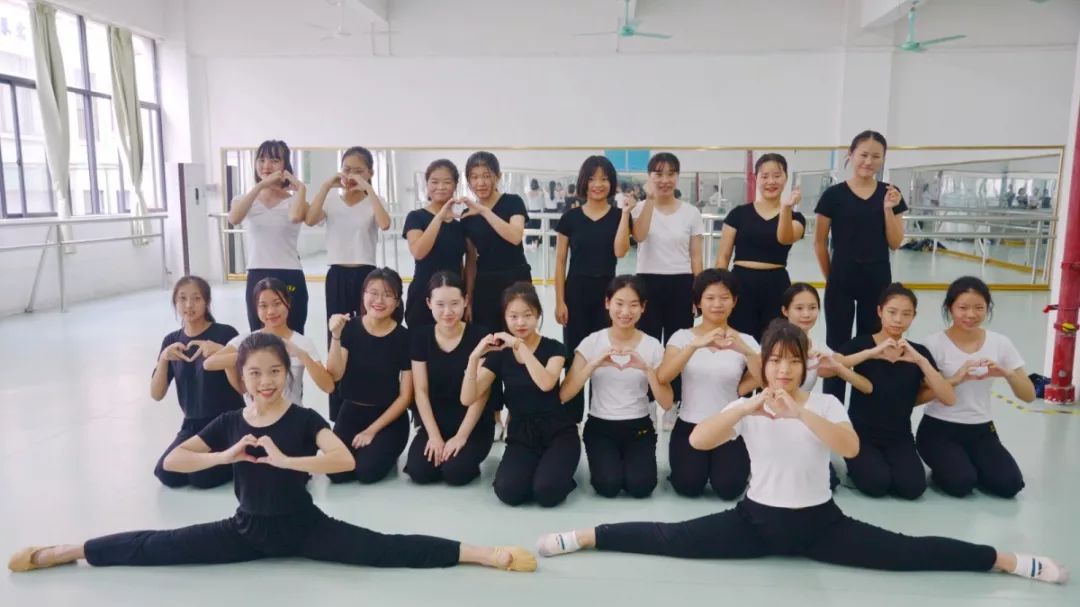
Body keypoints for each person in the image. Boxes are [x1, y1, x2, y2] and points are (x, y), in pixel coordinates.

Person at [534, 322, 1066, 586]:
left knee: (907, 553)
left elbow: (850, 448)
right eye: (775, 362)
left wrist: (798, 413)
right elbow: (698, 441)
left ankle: (1004, 560)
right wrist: (745, 409)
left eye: (793, 362)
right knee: (669, 539)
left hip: (821, 526)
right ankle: (586, 536)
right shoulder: (749, 403)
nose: (784, 370)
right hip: (754, 522)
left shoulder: (826, 403)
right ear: (764, 364)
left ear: (805, 363)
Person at [9, 333, 537, 575]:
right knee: (159, 546)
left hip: (306, 528)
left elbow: (343, 460)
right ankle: (68, 551)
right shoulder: (230, 423)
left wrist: (288, 461)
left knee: (386, 550)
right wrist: (225, 456)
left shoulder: (303, 420)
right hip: (244, 530)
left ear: (286, 374)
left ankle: (484, 553)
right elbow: (172, 462)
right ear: (242, 378)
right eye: (255, 373)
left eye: (275, 372)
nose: (265, 381)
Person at [461, 283, 578, 507]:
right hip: (522, 434)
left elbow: (546, 383)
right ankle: (540, 469)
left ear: (538, 315)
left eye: (527, 315)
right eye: (513, 316)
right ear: (504, 318)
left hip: (558, 431)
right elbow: (467, 398)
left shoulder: (554, 348)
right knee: (509, 492)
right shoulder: (499, 355)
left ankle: (555, 473)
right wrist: (474, 358)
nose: (520, 323)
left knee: (547, 493)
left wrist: (519, 346)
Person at [835, 283, 955, 500]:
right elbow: (827, 368)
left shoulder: (918, 351)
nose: (898, 320)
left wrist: (920, 361)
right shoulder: (862, 344)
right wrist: (870, 353)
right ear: (880, 311)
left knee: (913, 488)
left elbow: (948, 397)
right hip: (862, 434)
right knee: (876, 484)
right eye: (892, 312)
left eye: (906, 314)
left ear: (913, 317)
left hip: (899, 435)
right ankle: (856, 460)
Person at [917, 276, 1033, 498]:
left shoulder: (1000, 342)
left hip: (981, 430)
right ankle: (952, 466)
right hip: (938, 429)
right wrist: (957, 379)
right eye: (963, 308)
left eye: (979, 308)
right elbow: (918, 395)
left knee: (1010, 485)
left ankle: (968, 463)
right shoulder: (933, 344)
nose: (971, 315)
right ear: (949, 308)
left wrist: (1007, 373)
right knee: (961, 484)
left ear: (988, 308)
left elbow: (1028, 395)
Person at [814, 130, 907, 406]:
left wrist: (888, 209)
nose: (868, 161)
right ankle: (833, 410)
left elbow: (895, 242)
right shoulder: (833, 195)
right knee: (838, 347)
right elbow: (819, 242)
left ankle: (866, 409)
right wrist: (832, 278)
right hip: (841, 280)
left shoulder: (891, 194)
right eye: (863, 154)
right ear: (851, 155)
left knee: (873, 346)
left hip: (877, 281)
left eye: (876, 156)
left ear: (883, 159)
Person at [560, 275, 672, 498]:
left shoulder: (652, 346)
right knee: (608, 486)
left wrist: (647, 369)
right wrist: (592, 365)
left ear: (643, 307)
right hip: (601, 426)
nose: (625, 312)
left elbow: (667, 402)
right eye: (619, 303)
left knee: (641, 486)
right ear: (607, 303)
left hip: (639, 426)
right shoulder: (591, 342)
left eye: (633, 305)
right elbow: (564, 394)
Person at [305, 146, 391, 422]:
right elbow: (310, 219)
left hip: (366, 276)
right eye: (347, 169)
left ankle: (365, 400)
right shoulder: (332, 200)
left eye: (358, 170)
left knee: (365, 336)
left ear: (370, 173)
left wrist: (369, 189)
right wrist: (325, 186)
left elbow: (385, 224)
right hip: (337, 276)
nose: (351, 175)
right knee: (337, 336)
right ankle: (338, 407)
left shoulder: (374, 200)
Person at [657, 269, 761, 499]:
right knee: (688, 486)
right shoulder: (682, 337)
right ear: (698, 302)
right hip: (689, 424)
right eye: (710, 298)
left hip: (729, 426)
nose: (717, 304)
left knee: (729, 488)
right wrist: (695, 346)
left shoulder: (746, 340)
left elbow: (764, 378)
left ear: (734, 301)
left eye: (724, 298)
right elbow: (663, 376)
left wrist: (745, 351)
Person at [632, 152, 704, 431]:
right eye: (658, 174)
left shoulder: (691, 213)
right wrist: (649, 200)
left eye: (671, 174)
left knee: (678, 348)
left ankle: (673, 404)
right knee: (649, 346)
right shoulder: (640, 208)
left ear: (677, 177)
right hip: (647, 282)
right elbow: (639, 236)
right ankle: (649, 403)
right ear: (649, 177)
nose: (665, 180)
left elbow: (696, 256)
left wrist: (698, 292)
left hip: (681, 283)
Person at [555, 155, 630, 422]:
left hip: (607, 296)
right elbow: (560, 261)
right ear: (583, 182)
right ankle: (571, 418)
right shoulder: (570, 218)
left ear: (612, 183)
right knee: (574, 355)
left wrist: (626, 214)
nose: (598, 184)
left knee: (604, 356)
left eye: (604, 179)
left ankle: (601, 414)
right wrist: (560, 301)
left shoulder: (619, 217)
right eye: (592, 179)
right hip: (575, 292)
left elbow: (620, 252)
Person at [461, 152, 531, 441]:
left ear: (497, 176)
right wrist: (468, 296)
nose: (481, 182)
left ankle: (517, 413)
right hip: (486, 286)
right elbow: (471, 260)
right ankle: (494, 415)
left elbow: (515, 236)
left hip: (516, 281)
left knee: (519, 346)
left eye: (486, 175)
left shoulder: (513, 202)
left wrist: (484, 211)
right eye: (474, 177)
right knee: (490, 349)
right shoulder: (466, 217)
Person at [151, 276, 245, 489]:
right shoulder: (171, 340)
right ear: (175, 302)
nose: (189, 305)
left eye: (196, 298)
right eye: (182, 299)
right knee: (166, 473)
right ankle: (219, 457)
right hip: (192, 425)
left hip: (225, 422)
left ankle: (236, 456)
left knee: (202, 478)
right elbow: (156, 394)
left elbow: (242, 387)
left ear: (207, 302)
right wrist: (164, 359)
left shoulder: (225, 333)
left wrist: (220, 352)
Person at [404, 272, 494, 486]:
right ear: (429, 303)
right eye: (440, 304)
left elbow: (481, 394)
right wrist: (434, 436)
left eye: (454, 303)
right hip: (436, 423)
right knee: (419, 471)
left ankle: (464, 457)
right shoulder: (420, 337)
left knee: (455, 473)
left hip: (473, 425)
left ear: (466, 301)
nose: (447, 312)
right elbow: (421, 391)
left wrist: (461, 436)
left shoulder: (481, 336)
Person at [325, 269, 412, 484]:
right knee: (336, 473)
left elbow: (405, 397)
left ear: (397, 302)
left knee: (367, 471)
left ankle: (385, 449)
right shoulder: (350, 328)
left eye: (387, 295)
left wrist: (371, 431)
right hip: (351, 411)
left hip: (388, 418)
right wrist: (335, 336)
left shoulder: (404, 338)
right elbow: (335, 374)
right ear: (363, 295)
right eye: (373, 293)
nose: (379, 300)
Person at [715, 153, 806, 341]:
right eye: (764, 176)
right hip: (741, 283)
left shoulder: (796, 218)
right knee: (739, 341)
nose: (771, 181)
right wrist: (720, 290)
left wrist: (786, 208)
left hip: (776, 284)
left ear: (786, 178)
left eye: (777, 175)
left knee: (774, 341)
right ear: (755, 178)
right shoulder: (738, 214)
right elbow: (723, 256)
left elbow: (784, 238)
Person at [204, 278, 334, 405]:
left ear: (288, 303)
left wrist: (302, 355)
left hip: (291, 415)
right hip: (255, 416)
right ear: (256, 309)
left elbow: (328, 386)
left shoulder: (302, 342)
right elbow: (209, 364)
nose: (271, 311)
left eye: (277, 303)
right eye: (263, 306)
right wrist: (251, 355)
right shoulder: (247, 340)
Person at [228, 140, 310, 334]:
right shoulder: (243, 199)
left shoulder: (295, 200)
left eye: (274, 160)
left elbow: (295, 216)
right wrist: (260, 186)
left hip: (289, 273)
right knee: (259, 334)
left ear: (285, 165)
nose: (266, 165)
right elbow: (234, 218)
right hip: (257, 273)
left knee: (293, 332)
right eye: (261, 160)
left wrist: (301, 189)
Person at [403, 159, 467, 330]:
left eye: (447, 182)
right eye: (435, 182)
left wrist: (467, 297)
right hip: (423, 294)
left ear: (455, 186)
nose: (440, 187)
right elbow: (419, 251)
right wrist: (439, 216)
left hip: (453, 297)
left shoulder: (460, 224)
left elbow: (461, 265)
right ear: (427, 185)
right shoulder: (415, 217)